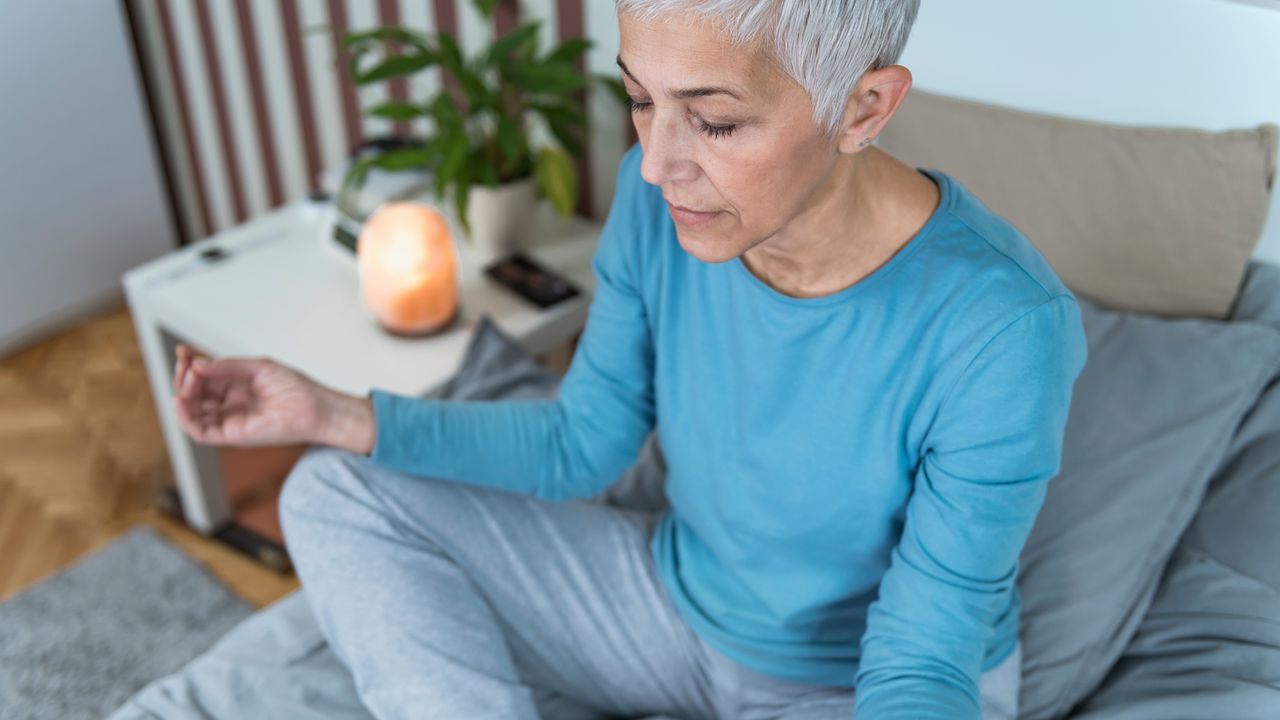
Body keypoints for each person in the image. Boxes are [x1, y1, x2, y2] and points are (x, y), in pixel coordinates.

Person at [171, 1, 1088, 718]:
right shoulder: (661, 205)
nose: (656, 165)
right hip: (669, 604)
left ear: (864, 107)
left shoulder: (1004, 331)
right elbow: (581, 443)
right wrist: (333, 414)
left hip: (851, 687)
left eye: (716, 123)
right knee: (331, 491)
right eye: (642, 102)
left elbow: (921, 658)